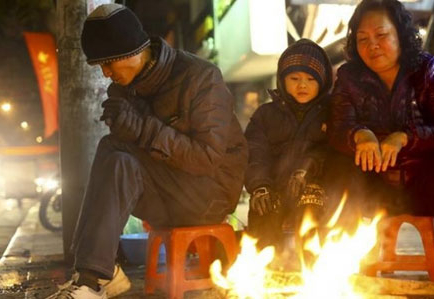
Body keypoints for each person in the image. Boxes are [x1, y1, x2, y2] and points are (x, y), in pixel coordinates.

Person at [47, 4, 247, 299]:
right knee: (115, 151)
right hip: (166, 193)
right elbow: (125, 160)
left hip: (210, 194)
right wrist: (124, 127)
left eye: (108, 64)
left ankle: (94, 278)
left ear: (131, 52)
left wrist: (142, 130)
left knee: (112, 148)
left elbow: (207, 158)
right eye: (100, 66)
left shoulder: (200, 77)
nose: (105, 73)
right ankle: (91, 277)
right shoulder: (123, 87)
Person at [328, 0, 434, 289]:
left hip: (424, 183)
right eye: (363, 39)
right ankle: (359, 257)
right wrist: (360, 135)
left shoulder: (430, 70)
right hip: (375, 184)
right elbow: (337, 127)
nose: (373, 46)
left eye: (381, 35)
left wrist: (406, 137)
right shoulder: (349, 77)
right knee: (335, 164)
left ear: (401, 34)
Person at [244, 39, 333, 257]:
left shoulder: (332, 113)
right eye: (294, 78)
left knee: (312, 209)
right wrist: (260, 186)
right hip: (274, 188)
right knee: (264, 210)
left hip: (315, 188)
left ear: (322, 82)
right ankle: (266, 269)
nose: (302, 85)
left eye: (311, 79)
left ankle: (314, 267)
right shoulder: (265, 115)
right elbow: (254, 154)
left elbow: (332, 153)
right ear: (282, 80)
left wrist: (308, 171)